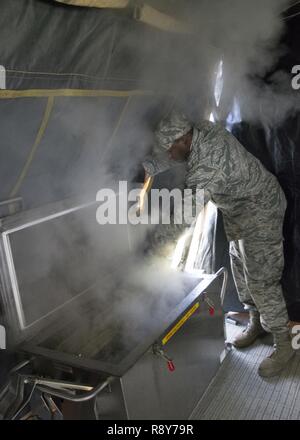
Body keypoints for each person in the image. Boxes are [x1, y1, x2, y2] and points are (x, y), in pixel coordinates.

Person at [143, 110, 295, 378]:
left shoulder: (209, 165)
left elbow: (182, 218)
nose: (168, 156)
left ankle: (284, 346)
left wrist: (154, 249)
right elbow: (167, 158)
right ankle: (256, 323)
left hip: (261, 209)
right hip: (238, 210)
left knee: (261, 279)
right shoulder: (197, 129)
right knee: (239, 265)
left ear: (183, 140)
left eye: (169, 150)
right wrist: (145, 167)